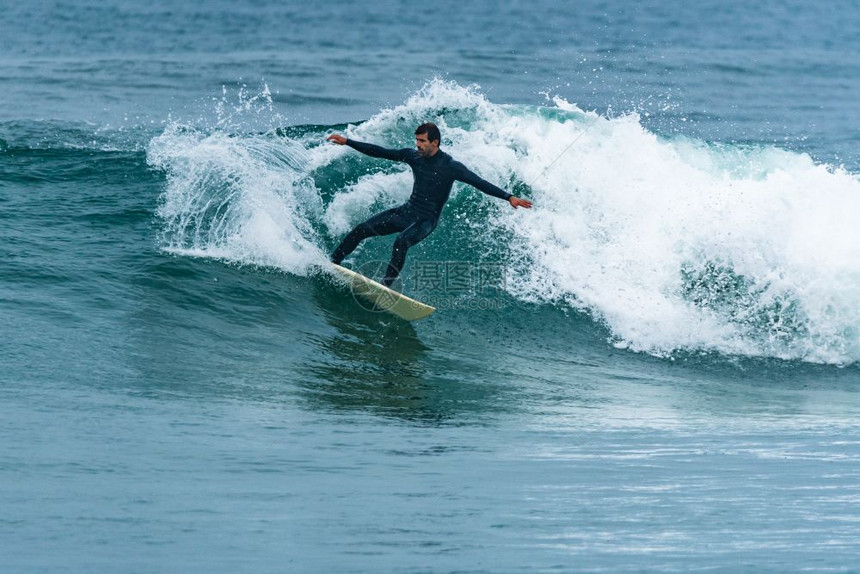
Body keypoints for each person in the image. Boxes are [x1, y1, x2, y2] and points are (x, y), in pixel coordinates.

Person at [326, 123, 533, 287]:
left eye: (423, 141)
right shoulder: (413, 156)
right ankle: (332, 263)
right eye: (416, 140)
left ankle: (386, 287)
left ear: (435, 143)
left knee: (401, 241)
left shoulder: (451, 167)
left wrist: (508, 197)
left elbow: (479, 182)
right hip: (407, 211)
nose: (418, 144)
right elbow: (381, 151)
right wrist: (348, 142)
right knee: (361, 229)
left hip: (427, 220)